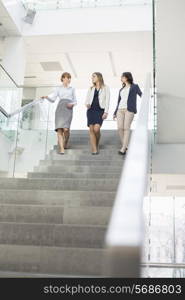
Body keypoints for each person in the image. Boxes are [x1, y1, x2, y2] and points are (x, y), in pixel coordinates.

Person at [41, 72, 77, 154]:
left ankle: (66, 143)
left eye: (69, 78)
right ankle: (61, 148)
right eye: (66, 77)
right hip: (60, 109)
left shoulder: (72, 89)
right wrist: (47, 97)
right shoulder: (58, 88)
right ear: (62, 79)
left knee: (66, 129)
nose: (68, 79)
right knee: (59, 130)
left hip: (68, 109)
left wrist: (72, 104)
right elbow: (53, 99)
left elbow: (75, 101)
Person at [113, 72, 142, 155]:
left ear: (127, 77)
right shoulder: (121, 89)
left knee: (126, 128)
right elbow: (118, 101)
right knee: (119, 128)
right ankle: (126, 146)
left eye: (122, 77)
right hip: (120, 110)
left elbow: (141, 95)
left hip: (129, 109)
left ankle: (123, 148)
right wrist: (115, 112)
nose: (121, 78)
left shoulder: (134, 87)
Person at [85, 72, 110, 155]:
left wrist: (106, 112)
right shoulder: (91, 88)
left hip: (100, 110)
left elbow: (107, 101)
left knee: (96, 129)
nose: (92, 78)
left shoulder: (106, 88)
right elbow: (87, 99)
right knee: (91, 130)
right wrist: (87, 104)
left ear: (99, 77)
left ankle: (96, 143)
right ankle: (94, 149)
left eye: (94, 76)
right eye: (92, 77)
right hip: (91, 110)